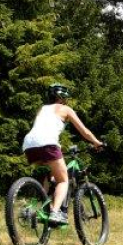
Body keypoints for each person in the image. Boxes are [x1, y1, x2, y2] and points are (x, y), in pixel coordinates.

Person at [22, 84, 104, 225]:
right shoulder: (65, 109)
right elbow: (85, 132)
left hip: (29, 144)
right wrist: (97, 143)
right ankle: (55, 212)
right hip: (48, 143)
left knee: (52, 175)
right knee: (63, 180)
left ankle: (37, 207)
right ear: (62, 98)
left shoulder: (42, 109)